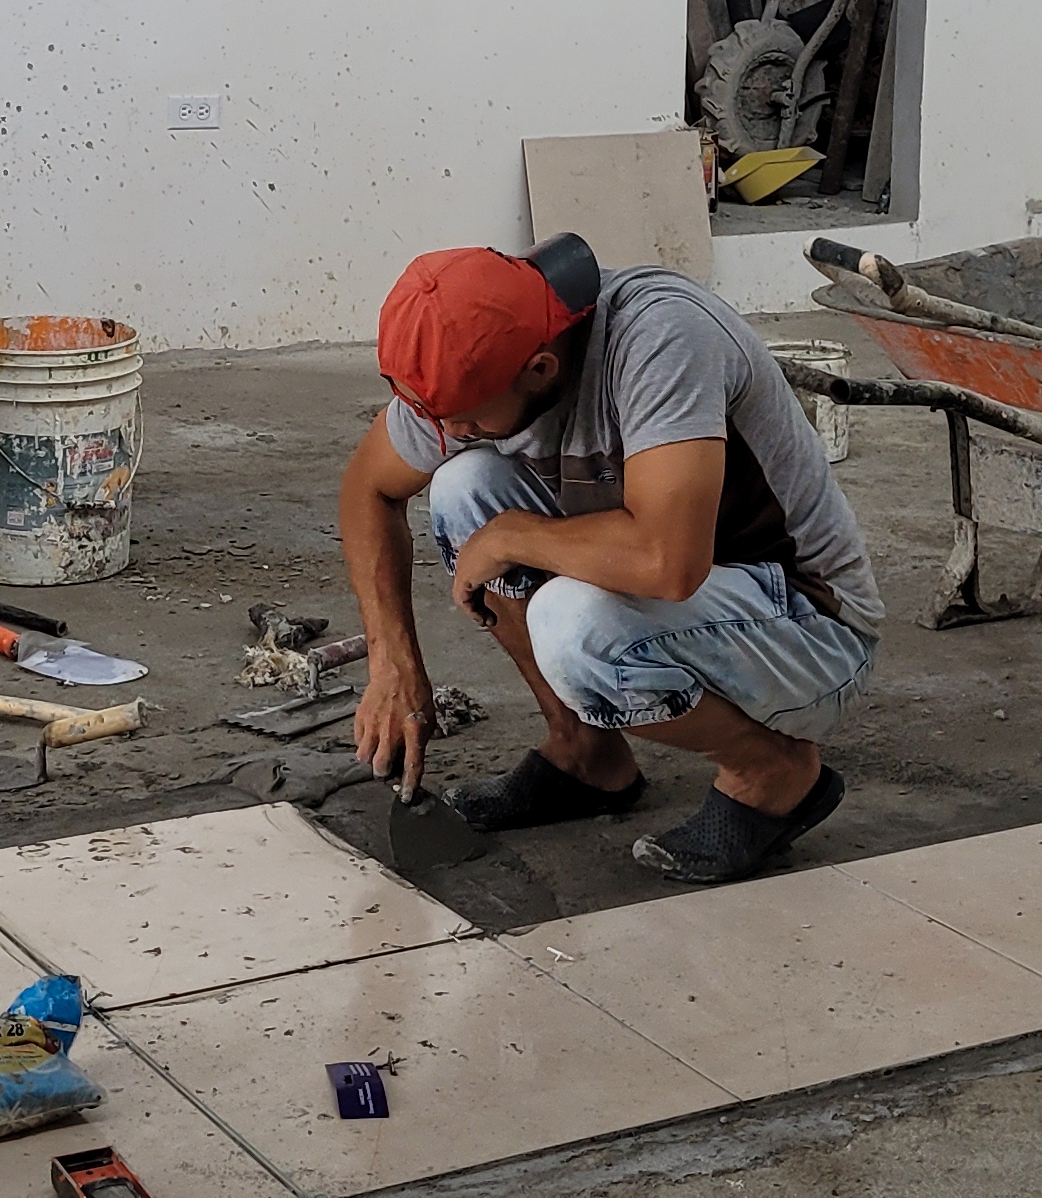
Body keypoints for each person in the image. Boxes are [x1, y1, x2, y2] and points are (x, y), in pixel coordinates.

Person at [339, 234, 882, 884]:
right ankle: (585, 753)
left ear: (540, 368)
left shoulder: (660, 339)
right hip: (700, 597)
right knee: (463, 489)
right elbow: (368, 489)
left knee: (572, 622)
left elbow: (666, 562)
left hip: (808, 625)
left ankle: (771, 770)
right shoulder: (476, 350)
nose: (448, 432)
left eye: (463, 419)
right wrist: (392, 663)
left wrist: (512, 537)